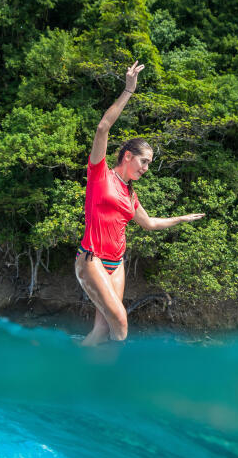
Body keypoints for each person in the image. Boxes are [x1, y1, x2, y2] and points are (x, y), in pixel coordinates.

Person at [75, 61, 205, 346]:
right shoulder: (100, 175)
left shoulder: (130, 194)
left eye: (149, 163)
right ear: (128, 156)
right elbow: (102, 127)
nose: (146, 168)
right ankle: (117, 373)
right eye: (144, 161)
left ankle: (85, 373)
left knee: (103, 330)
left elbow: (149, 224)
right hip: (91, 259)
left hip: (116, 263)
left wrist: (181, 219)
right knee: (120, 322)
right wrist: (128, 91)